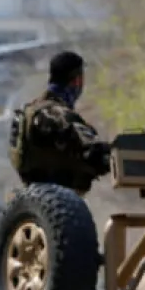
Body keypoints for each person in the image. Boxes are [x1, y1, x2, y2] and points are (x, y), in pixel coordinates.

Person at [9, 50, 112, 194]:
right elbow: (93, 152)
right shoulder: (58, 114)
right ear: (77, 80)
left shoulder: (30, 111)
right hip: (60, 198)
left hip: (34, 197)